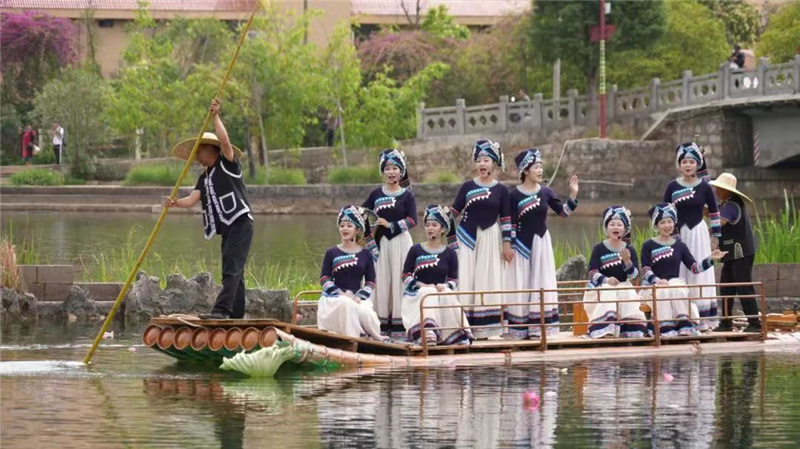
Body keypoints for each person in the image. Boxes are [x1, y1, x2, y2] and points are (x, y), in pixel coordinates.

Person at [163, 98, 253, 319]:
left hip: (240, 224)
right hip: (228, 229)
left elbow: (225, 142)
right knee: (235, 271)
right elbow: (192, 199)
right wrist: (175, 203)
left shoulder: (227, 163)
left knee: (232, 269)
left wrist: (215, 116)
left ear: (209, 149)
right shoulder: (204, 178)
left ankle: (221, 311)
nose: (196, 158)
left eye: (198, 153)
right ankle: (236, 314)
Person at [506, 149, 579, 339]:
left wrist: (573, 194)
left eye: (541, 167)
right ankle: (519, 329)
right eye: (536, 167)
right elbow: (510, 224)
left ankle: (539, 329)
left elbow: (563, 212)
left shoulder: (546, 192)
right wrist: (508, 246)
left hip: (541, 242)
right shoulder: (514, 196)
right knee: (522, 283)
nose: (540, 170)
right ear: (525, 170)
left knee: (541, 283)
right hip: (520, 245)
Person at [450, 139, 513, 339]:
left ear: (494, 164)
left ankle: (487, 328)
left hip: (490, 238)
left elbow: (506, 219)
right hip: (466, 237)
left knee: (488, 279)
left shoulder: (501, 190)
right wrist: (439, 219)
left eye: (486, 160)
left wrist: (507, 245)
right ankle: (462, 326)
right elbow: (454, 212)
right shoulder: (467, 187)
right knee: (465, 277)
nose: (482, 164)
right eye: (479, 160)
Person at [640, 203, 727, 337]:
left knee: (678, 290)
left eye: (670, 222)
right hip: (653, 285)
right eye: (662, 222)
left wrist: (711, 258)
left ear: (674, 223)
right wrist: (656, 280)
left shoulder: (680, 246)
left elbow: (694, 268)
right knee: (663, 292)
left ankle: (684, 328)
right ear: (656, 226)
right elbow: (645, 268)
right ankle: (664, 330)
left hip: (674, 283)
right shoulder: (648, 245)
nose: (667, 225)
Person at [663, 142, 721, 331]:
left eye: (691, 162)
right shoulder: (672, 187)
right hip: (678, 235)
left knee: (700, 272)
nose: (688, 165)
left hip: (698, 233)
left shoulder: (705, 187)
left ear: (697, 164)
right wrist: (668, 236)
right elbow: (663, 213)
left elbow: (714, 212)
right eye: (684, 162)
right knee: (678, 271)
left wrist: (715, 237)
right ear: (679, 164)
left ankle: (702, 319)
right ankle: (680, 317)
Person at [362, 149, 417, 338]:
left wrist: (390, 225)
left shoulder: (407, 195)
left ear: (401, 171)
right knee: (382, 280)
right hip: (381, 244)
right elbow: (362, 214)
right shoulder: (376, 194)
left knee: (400, 280)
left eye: (395, 168)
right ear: (382, 171)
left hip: (401, 243)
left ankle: (402, 327)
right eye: (387, 168)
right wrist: (367, 230)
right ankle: (380, 326)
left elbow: (413, 220)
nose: (391, 172)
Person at [401, 204, 472, 345]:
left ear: (443, 229)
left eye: (434, 225)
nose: (430, 228)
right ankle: (427, 332)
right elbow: (405, 275)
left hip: (438, 292)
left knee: (447, 293)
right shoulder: (415, 249)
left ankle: (454, 335)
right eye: (427, 225)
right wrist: (420, 285)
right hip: (417, 294)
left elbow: (454, 280)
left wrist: (444, 285)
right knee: (429, 292)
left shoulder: (450, 253)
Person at [316, 205, 383, 340]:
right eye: (342, 226)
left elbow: (370, 282)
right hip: (334, 298)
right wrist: (341, 294)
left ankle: (374, 336)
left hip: (357, 298)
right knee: (347, 304)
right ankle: (353, 339)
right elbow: (324, 278)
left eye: (349, 226)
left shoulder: (365, 254)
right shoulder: (331, 252)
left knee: (366, 313)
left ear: (357, 230)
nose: (345, 229)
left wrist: (358, 297)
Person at [583, 206, 647, 339]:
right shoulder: (599, 248)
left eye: (619, 224)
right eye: (612, 224)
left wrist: (627, 261)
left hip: (623, 285)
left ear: (625, 229)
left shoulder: (629, 249)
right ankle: (605, 330)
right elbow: (592, 271)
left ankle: (630, 331)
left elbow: (635, 275)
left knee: (627, 292)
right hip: (601, 287)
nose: (615, 227)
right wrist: (606, 280)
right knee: (608, 291)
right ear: (606, 228)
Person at [709, 173, 762, 333]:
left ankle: (755, 323)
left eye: (720, 188)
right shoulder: (726, 204)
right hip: (730, 253)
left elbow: (719, 222)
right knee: (726, 287)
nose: (717, 191)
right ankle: (726, 323)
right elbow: (714, 214)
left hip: (741, 252)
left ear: (727, 190)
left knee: (743, 287)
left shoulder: (732, 205)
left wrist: (705, 231)